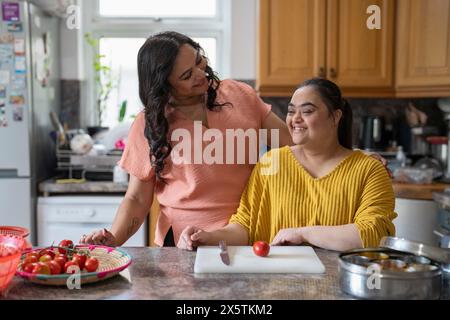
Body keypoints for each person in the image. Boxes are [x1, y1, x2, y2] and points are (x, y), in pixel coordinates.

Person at [81, 32, 387, 248]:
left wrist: (353, 158)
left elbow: (292, 142)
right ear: (165, 86)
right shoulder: (149, 124)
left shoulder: (238, 95)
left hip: (247, 234)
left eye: (200, 62)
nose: (201, 75)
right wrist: (114, 238)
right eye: (187, 75)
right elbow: (136, 199)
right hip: (185, 242)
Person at [178, 78, 397, 251]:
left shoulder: (369, 170)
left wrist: (303, 233)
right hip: (276, 285)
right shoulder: (271, 163)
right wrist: (208, 237)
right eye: (292, 111)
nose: (295, 119)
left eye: (308, 111)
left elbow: (373, 235)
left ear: (335, 117)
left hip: (339, 286)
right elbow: (245, 225)